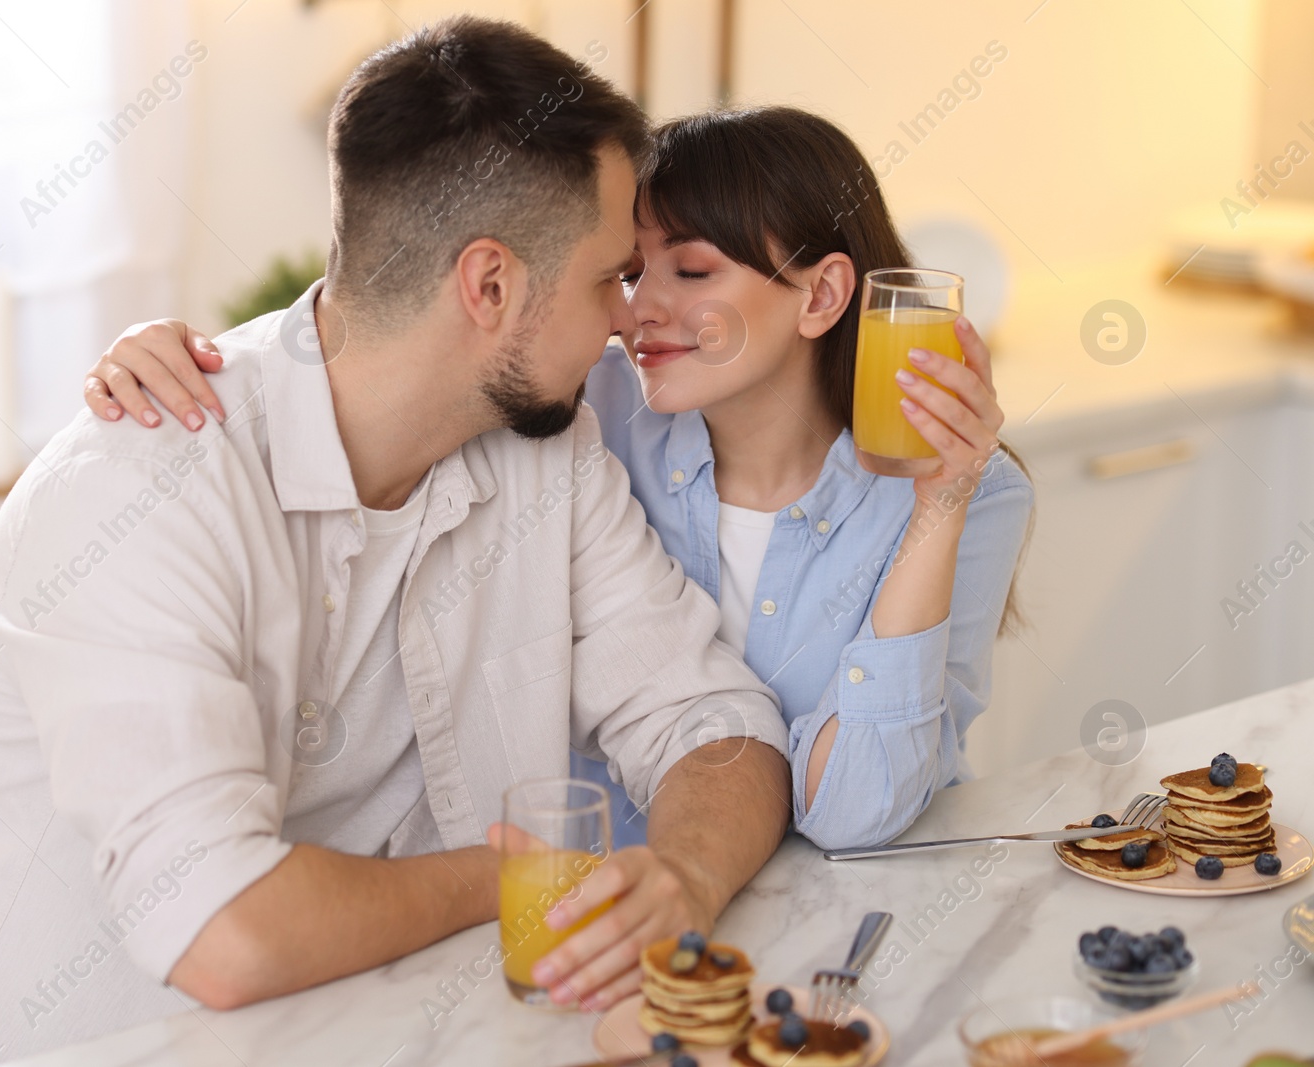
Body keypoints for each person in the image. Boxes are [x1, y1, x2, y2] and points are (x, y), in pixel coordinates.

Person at [0, 19, 795, 1063]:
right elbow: (229, 932)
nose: (626, 320)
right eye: (607, 278)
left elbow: (711, 714)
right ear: (488, 287)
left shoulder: (549, 452)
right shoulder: (137, 492)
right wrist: (513, 877)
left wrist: (684, 874)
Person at [83, 109, 1034, 855]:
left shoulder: (966, 499)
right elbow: (397, 355)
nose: (639, 311)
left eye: (691, 272)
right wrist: (203, 357)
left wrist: (937, 510)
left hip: (845, 930)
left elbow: (855, 811)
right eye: (627, 273)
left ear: (822, 295)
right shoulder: (589, 419)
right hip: (612, 923)